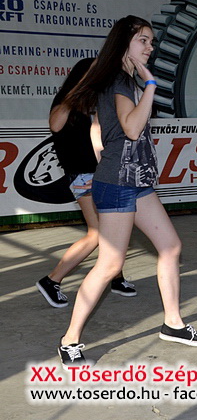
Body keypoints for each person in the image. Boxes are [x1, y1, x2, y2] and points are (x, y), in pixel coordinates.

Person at [57, 16, 197, 369]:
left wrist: (105, 161)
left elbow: (99, 129)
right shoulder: (120, 80)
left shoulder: (122, 80)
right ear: (124, 42)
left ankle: (172, 323)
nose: (150, 47)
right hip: (119, 183)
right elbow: (131, 128)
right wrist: (152, 84)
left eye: (152, 41)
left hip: (134, 180)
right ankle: (69, 341)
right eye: (143, 40)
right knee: (110, 265)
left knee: (170, 246)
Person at [36, 58, 137, 308]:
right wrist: (76, 94)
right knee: (98, 233)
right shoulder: (68, 101)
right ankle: (52, 280)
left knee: (113, 228)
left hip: (102, 173)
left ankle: (115, 277)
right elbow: (55, 125)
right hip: (82, 175)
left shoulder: (97, 101)